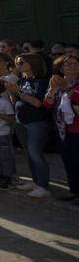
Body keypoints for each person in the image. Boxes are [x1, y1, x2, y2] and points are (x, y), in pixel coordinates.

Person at [6, 54, 52, 198]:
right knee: (29, 153)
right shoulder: (22, 80)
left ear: (32, 63)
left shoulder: (42, 81)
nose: (18, 65)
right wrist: (11, 91)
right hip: (21, 120)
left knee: (35, 153)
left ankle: (43, 186)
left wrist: (18, 92)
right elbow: (16, 101)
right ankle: (35, 181)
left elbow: (38, 102)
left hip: (37, 120)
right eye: (17, 62)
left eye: (22, 62)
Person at [45, 54, 79, 203]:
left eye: (75, 64)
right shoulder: (58, 83)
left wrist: (67, 90)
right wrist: (52, 90)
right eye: (68, 64)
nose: (73, 67)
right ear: (61, 68)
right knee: (68, 160)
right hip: (62, 129)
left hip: (77, 129)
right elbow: (47, 104)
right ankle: (73, 191)